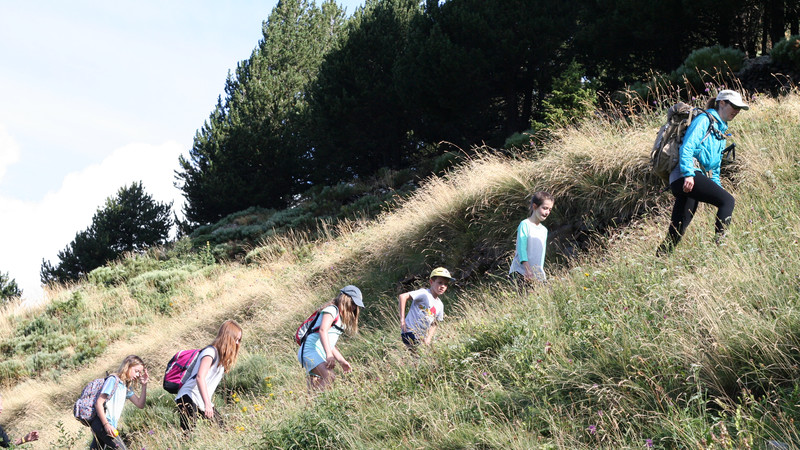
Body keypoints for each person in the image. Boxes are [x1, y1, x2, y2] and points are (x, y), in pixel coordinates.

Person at [657, 89, 748, 255]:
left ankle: (659, 259)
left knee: (678, 227)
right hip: (685, 175)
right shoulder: (704, 120)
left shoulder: (721, 129)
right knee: (727, 201)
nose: (737, 111)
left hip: (686, 177)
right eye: (734, 106)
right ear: (722, 103)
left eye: (739, 108)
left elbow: (714, 167)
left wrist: (717, 188)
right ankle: (721, 248)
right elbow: (687, 147)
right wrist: (688, 174)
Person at [175, 320, 242, 432]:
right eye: (235, 339)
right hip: (189, 396)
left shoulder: (220, 356)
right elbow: (200, 377)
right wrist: (208, 404)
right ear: (227, 337)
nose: (237, 343)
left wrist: (207, 403)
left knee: (223, 430)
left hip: (201, 399)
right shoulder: (210, 352)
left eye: (239, 340)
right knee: (189, 434)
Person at [298, 286, 364, 391]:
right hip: (310, 350)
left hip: (319, 352)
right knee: (329, 377)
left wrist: (342, 361)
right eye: (353, 303)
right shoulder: (331, 310)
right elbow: (322, 330)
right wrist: (329, 354)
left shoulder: (339, 317)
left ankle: (312, 401)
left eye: (356, 305)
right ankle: (316, 400)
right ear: (345, 299)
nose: (354, 308)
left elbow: (330, 344)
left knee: (315, 386)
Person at [90, 355, 149, 449]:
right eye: (136, 371)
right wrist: (106, 425)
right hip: (102, 423)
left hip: (108, 425)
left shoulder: (126, 387)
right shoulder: (113, 380)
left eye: (140, 372)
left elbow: (140, 404)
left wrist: (144, 385)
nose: (138, 375)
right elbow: (99, 403)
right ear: (127, 367)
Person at [398, 267, 452, 349]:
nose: (442, 286)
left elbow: (435, 323)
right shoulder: (424, 293)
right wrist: (402, 320)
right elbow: (403, 297)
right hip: (409, 331)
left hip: (422, 336)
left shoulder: (440, 304)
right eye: (440, 283)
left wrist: (428, 338)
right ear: (431, 282)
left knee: (418, 354)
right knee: (419, 352)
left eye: (445, 284)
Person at [509, 191, 555, 282]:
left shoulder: (544, 230)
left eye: (550, 209)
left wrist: (540, 274)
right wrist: (527, 269)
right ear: (534, 206)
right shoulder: (525, 224)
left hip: (536, 276)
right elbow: (521, 249)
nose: (547, 212)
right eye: (545, 208)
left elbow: (541, 255)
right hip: (520, 272)